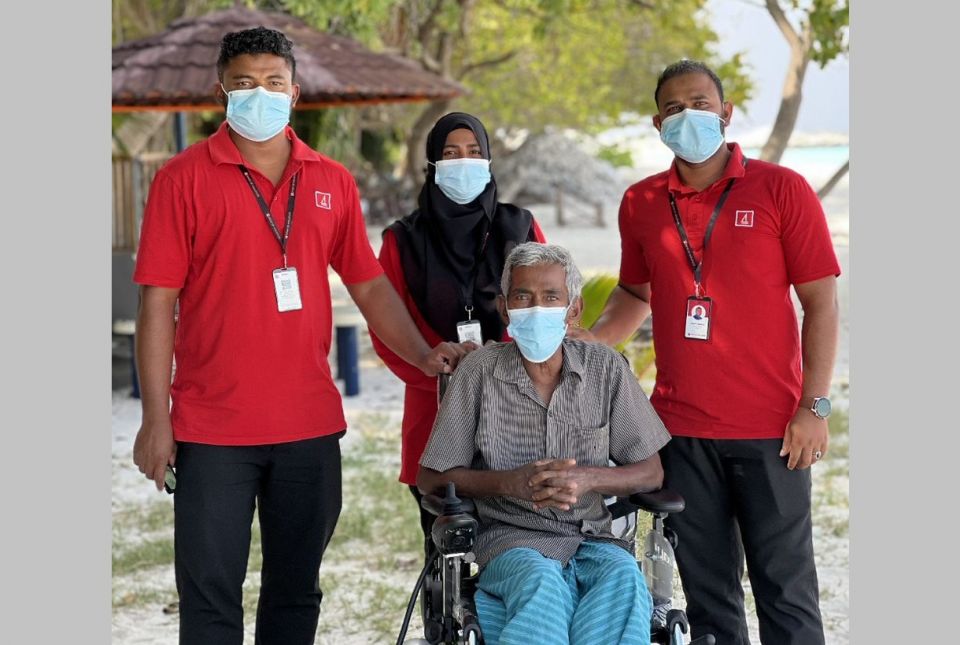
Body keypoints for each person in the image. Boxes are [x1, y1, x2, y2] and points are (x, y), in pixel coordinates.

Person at [131, 26, 472, 645]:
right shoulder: (181, 179)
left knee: (296, 594)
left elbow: (368, 285)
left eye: (272, 83)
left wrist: (422, 354)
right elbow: (158, 302)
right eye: (243, 84)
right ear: (221, 93)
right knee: (209, 600)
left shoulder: (332, 180)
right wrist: (157, 419)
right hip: (212, 430)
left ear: (294, 95)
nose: (258, 94)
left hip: (310, 427)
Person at [578, 59, 840, 644]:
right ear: (656, 124)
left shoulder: (782, 189)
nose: (688, 116)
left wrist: (814, 407)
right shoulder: (641, 202)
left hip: (774, 432)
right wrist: (590, 342)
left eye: (700, 104)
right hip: (681, 433)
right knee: (708, 597)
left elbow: (821, 304)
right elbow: (632, 293)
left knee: (786, 592)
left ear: (725, 113)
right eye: (674, 108)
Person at [418, 242, 671, 645]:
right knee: (541, 585)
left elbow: (651, 471)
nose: (536, 308)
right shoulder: (478, 372)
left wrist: (589, 479)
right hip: (510, 538)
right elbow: (430, 477)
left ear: (574, 310)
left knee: (624, 580)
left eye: (551, 297)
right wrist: (508, 484)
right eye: (523, 297)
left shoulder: (605, 368)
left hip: (593, 536)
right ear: (504, 309)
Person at [371, 112, 545, 553]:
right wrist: (433, 363)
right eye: (450, 154)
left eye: (474, 153)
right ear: (432, 164)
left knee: (520, 552)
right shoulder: (402, 240)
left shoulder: (519, 227)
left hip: (516, 415)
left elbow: (548, 301)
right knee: (445, 569)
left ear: (489, 160)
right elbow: (385, 330)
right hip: (435, 416)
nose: (463, 162)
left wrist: (505, 360)